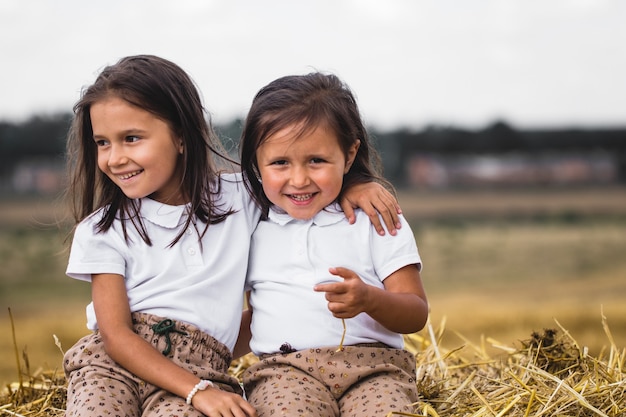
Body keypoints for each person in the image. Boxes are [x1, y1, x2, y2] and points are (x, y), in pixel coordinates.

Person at [61, 55, 402, 417]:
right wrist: (198, 391)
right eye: (102, 142)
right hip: (112, 368)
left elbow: (299, 183)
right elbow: (116, 336)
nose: (115, 158)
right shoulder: (103, 229)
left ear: (180, 135)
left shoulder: (241, 197)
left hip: (202, 369)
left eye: (131, 138)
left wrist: (355, 184)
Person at [237, 72, 429, 417]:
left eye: (317, 161)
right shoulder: (248, 225)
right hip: (283, 373)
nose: (299, 179)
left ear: (350, 153)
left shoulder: (375, 219)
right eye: (280, 162)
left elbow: (415, 313)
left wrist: (370, 299)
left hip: (376, 370)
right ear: (256, 160)